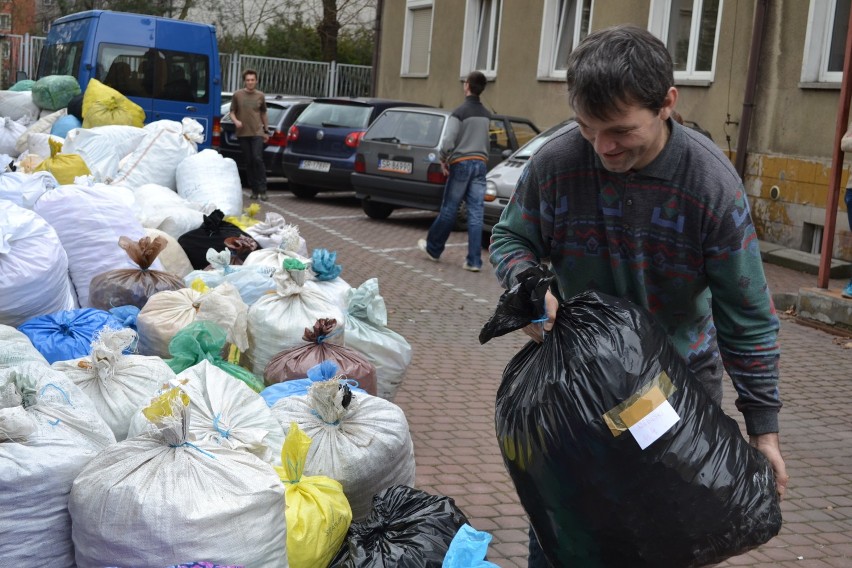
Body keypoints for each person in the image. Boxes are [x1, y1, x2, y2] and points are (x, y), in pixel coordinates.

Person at [487, 25, 789, 566]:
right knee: (568, 535)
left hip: (672, 397)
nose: (602, 148)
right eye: (587, 128)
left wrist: (763, 432)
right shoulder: (557, 164)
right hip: (574, 393)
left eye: (621, 131)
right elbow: (511, 237)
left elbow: (746, 317)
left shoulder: (709, 185)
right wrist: (527, 285)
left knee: (667, 537)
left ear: (667, 103)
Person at [418, 70, 491, 272]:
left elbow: (448, 141)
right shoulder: (486, 115)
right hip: (480, 164)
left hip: (461, 163)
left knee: (450, 208)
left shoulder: (459, 112)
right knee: (476, 213)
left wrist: (443, 159)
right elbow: (487, 142)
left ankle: (433, 248)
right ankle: (474, 261)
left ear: (467, 86)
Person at [230, 69, 269, 201]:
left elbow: (263, 113)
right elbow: (232, 112)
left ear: (256, 81)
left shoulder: (260, 96)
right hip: (243, 133)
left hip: (257, 132)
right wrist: (236, 121)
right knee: (249, 161)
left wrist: (266, 130)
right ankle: (254, 189)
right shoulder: (237, 95)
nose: (250, 82)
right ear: (244, 81)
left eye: (252, 80)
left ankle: (263, 189)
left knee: (257, 158)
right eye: (248, 80)